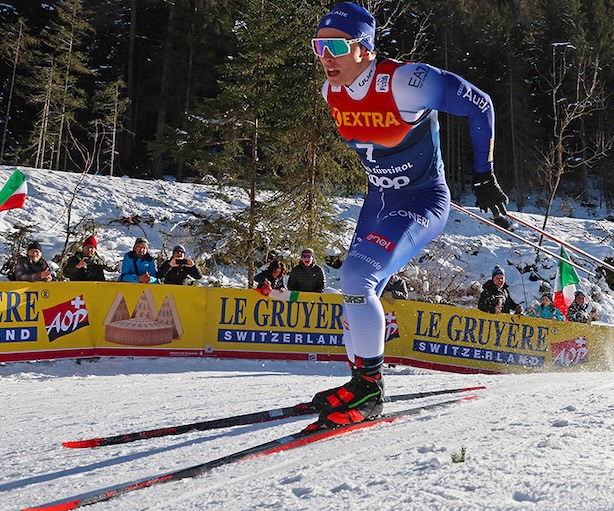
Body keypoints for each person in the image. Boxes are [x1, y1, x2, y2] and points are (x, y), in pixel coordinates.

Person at [310, 2, 509, 427]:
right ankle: (358, 383)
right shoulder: (331, 90)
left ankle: (370, 390)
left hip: (421, 201)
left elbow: (480, 103)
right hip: (378, 202)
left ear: (365, 48)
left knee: (356, 278)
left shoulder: (405, 82)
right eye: (318, 46)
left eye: (336, 46)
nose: (325, 57)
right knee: (354, 293)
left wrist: (484, 174)